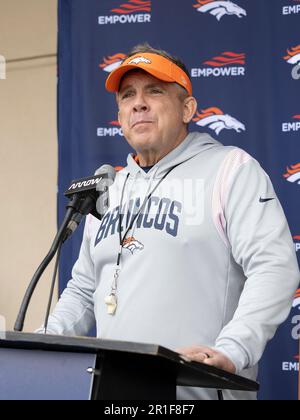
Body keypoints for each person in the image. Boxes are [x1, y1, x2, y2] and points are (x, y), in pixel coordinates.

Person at [38, 44, 299, 400]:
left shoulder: (230, 169)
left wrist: (234, 349)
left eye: (154, 90)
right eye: (127, 95)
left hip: (200, 392)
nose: (138, 103)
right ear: (119, 117)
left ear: (188, 108)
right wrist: (42, 343)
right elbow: (84, 289)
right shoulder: (108, 190)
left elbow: (274, 268)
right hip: (115, 394)